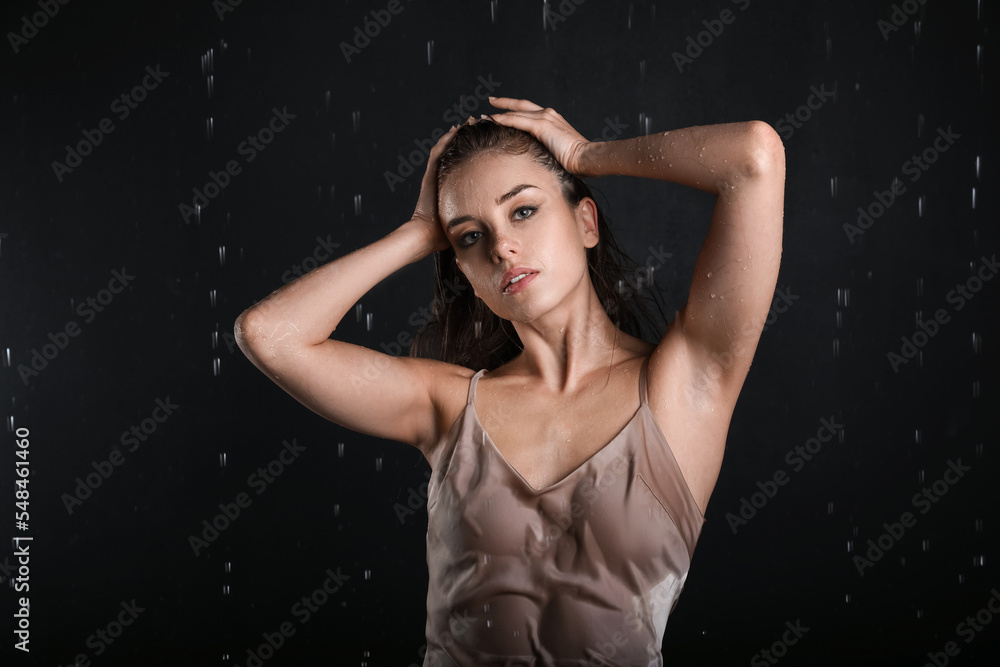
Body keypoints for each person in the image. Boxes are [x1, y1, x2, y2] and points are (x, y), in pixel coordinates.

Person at [235, 96, 785, 665]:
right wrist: (419, 233)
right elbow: (268, 335)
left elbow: (753, 156)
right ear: (465, 272)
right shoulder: (447, 405)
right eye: (471, 237)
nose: (501, 247)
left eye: (522, 210)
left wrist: (586, 154)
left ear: (586, 221)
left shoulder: (685, 382)